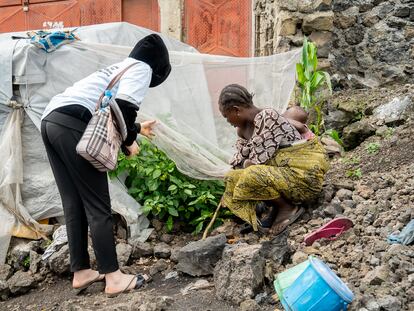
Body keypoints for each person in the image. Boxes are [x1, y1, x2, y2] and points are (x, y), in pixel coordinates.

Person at [40, 34, 171, 297]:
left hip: (51, 121)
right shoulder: (142, 68)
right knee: (98, 204)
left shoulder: (118, 68)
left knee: (73, 201)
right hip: (72, 123)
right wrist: (130, 139)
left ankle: (81, 271)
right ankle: (113, 277)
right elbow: (123, 109)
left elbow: (110, 112)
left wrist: (134, 129)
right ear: (158, 67)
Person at [219, 84, 329, 235]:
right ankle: (277, 207)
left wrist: (244, 165)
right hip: (283, 179)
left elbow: (257, 162)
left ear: (236, 110)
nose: (228, 122)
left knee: (251, 173)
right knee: (233, 177)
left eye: (226, 117)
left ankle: (288, 208)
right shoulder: (242, 131)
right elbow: (238, 162)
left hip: (303, 178)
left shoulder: (268, 117)